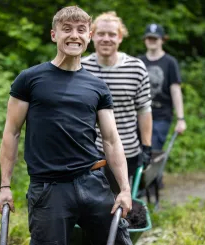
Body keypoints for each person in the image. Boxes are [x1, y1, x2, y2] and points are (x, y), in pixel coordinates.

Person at [0, 6, 133, 245]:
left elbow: (111, 139)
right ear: (53, 35)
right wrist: (4, 186)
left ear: (89, 36)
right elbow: (12, 132)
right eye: (66, 29)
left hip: (92, 182)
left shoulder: (97, 86)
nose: (74, 35)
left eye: (81, 30)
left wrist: (124, 189)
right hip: (49, 189)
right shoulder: (29, 79)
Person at [81, 12, 152, 193]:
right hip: (89, 152)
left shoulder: (136, 68)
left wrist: (147, 146)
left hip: (126, 150)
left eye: (112, 34)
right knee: (93, 206)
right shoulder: (80, 68)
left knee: (121, 203)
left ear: (120, 37)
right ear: (92, 36)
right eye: (101, 33)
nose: (106, 39)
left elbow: (144, 110)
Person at [139, 23, 187, 151]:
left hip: (161, 116)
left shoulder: (170, 62)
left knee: (152, 151)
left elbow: (176, 91)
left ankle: (152, 172)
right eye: (149, 38)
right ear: (145, 40)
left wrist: (181, 118)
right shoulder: (139, 62)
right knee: (136, 154)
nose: (152, 41)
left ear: (162, 40)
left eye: (155, 38)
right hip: (139, 115)